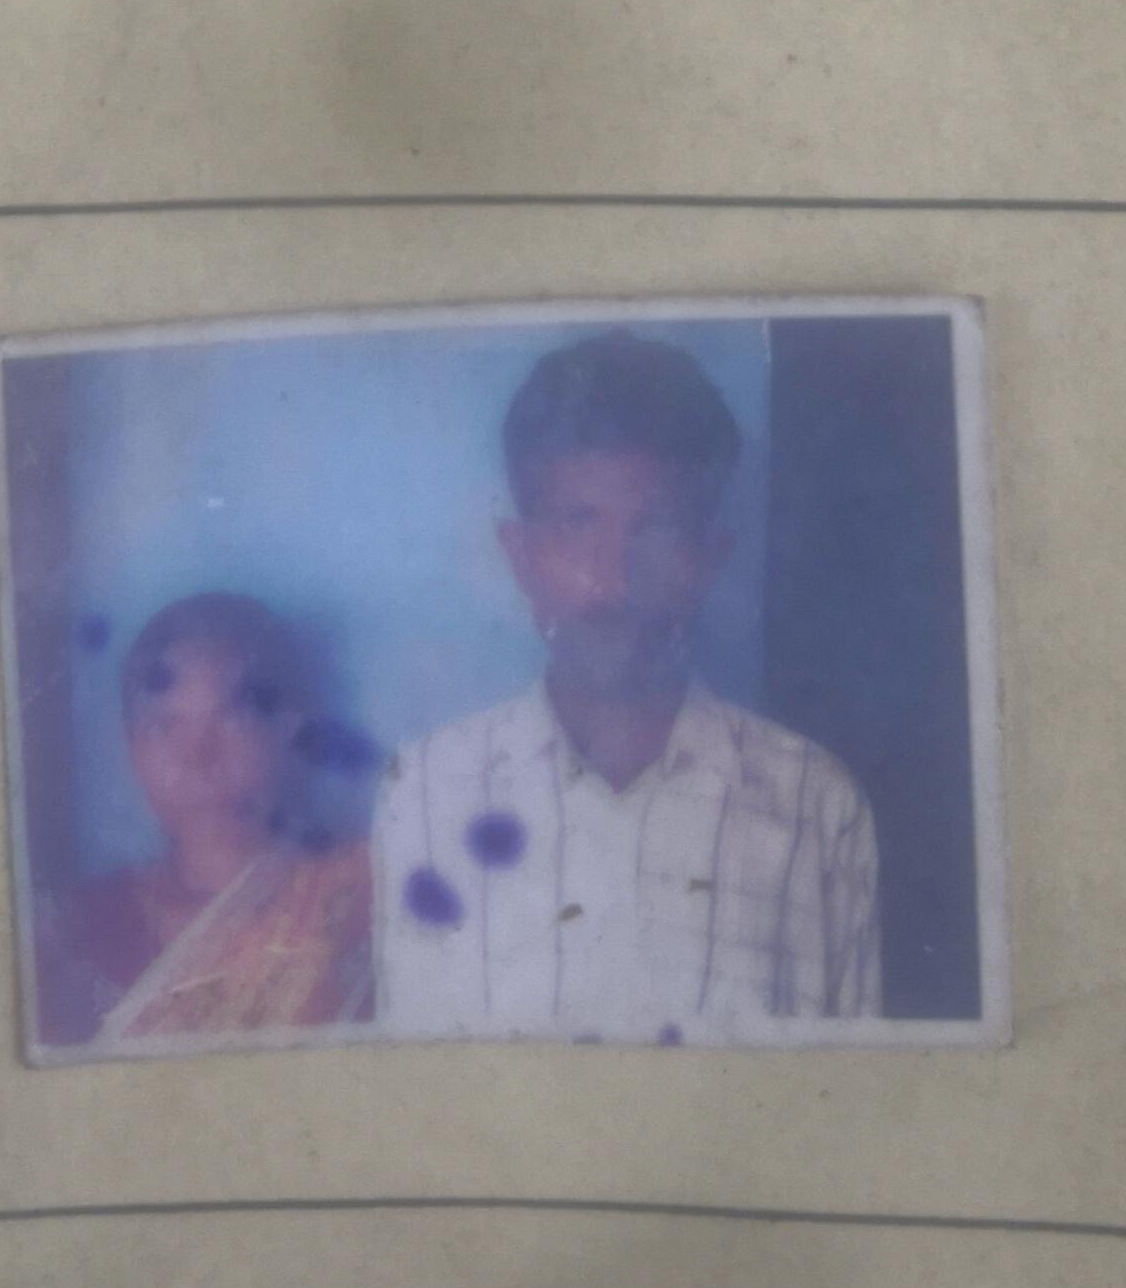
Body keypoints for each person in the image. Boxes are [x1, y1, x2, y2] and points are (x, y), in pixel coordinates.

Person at [373, 329, 880, 1040]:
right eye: (578, 525)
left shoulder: (815, 807)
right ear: (521, 557)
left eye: (657, 529)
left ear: (709, 558)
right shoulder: (426, 793)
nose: (613, 579)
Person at [34, 590, 373, 1050]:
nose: (197, 757)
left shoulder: (358, 894)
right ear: (132, 747)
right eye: (164, 726)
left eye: (230, 718)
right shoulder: (81, 929)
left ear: (286, 727)